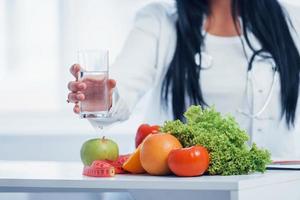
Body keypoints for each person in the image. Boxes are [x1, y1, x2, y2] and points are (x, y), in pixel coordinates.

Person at [67, 0, 300, 160]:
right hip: (185, 190)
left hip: (277, 186)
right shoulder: (160, 21)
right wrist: (101, 96)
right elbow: (123, 84)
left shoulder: (292, 19)